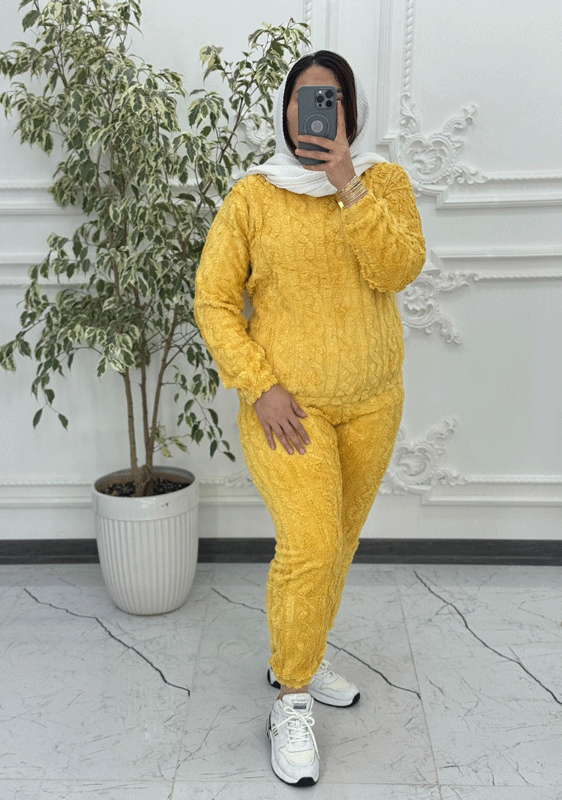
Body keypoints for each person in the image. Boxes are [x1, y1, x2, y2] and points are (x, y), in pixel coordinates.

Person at [194, 50, 425, 787]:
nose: (313, 111)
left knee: (339, 544)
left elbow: (398, 269)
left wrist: (348, 185)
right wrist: (259, 385)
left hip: (373, 402)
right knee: (311, 544)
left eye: (329, 99)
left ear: (349, 113)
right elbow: (213, 300)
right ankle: (291, 698)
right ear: (284, 109)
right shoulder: (253, 195)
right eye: (301, 97)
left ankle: (303, 651)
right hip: (287, 410)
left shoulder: (382, 182)